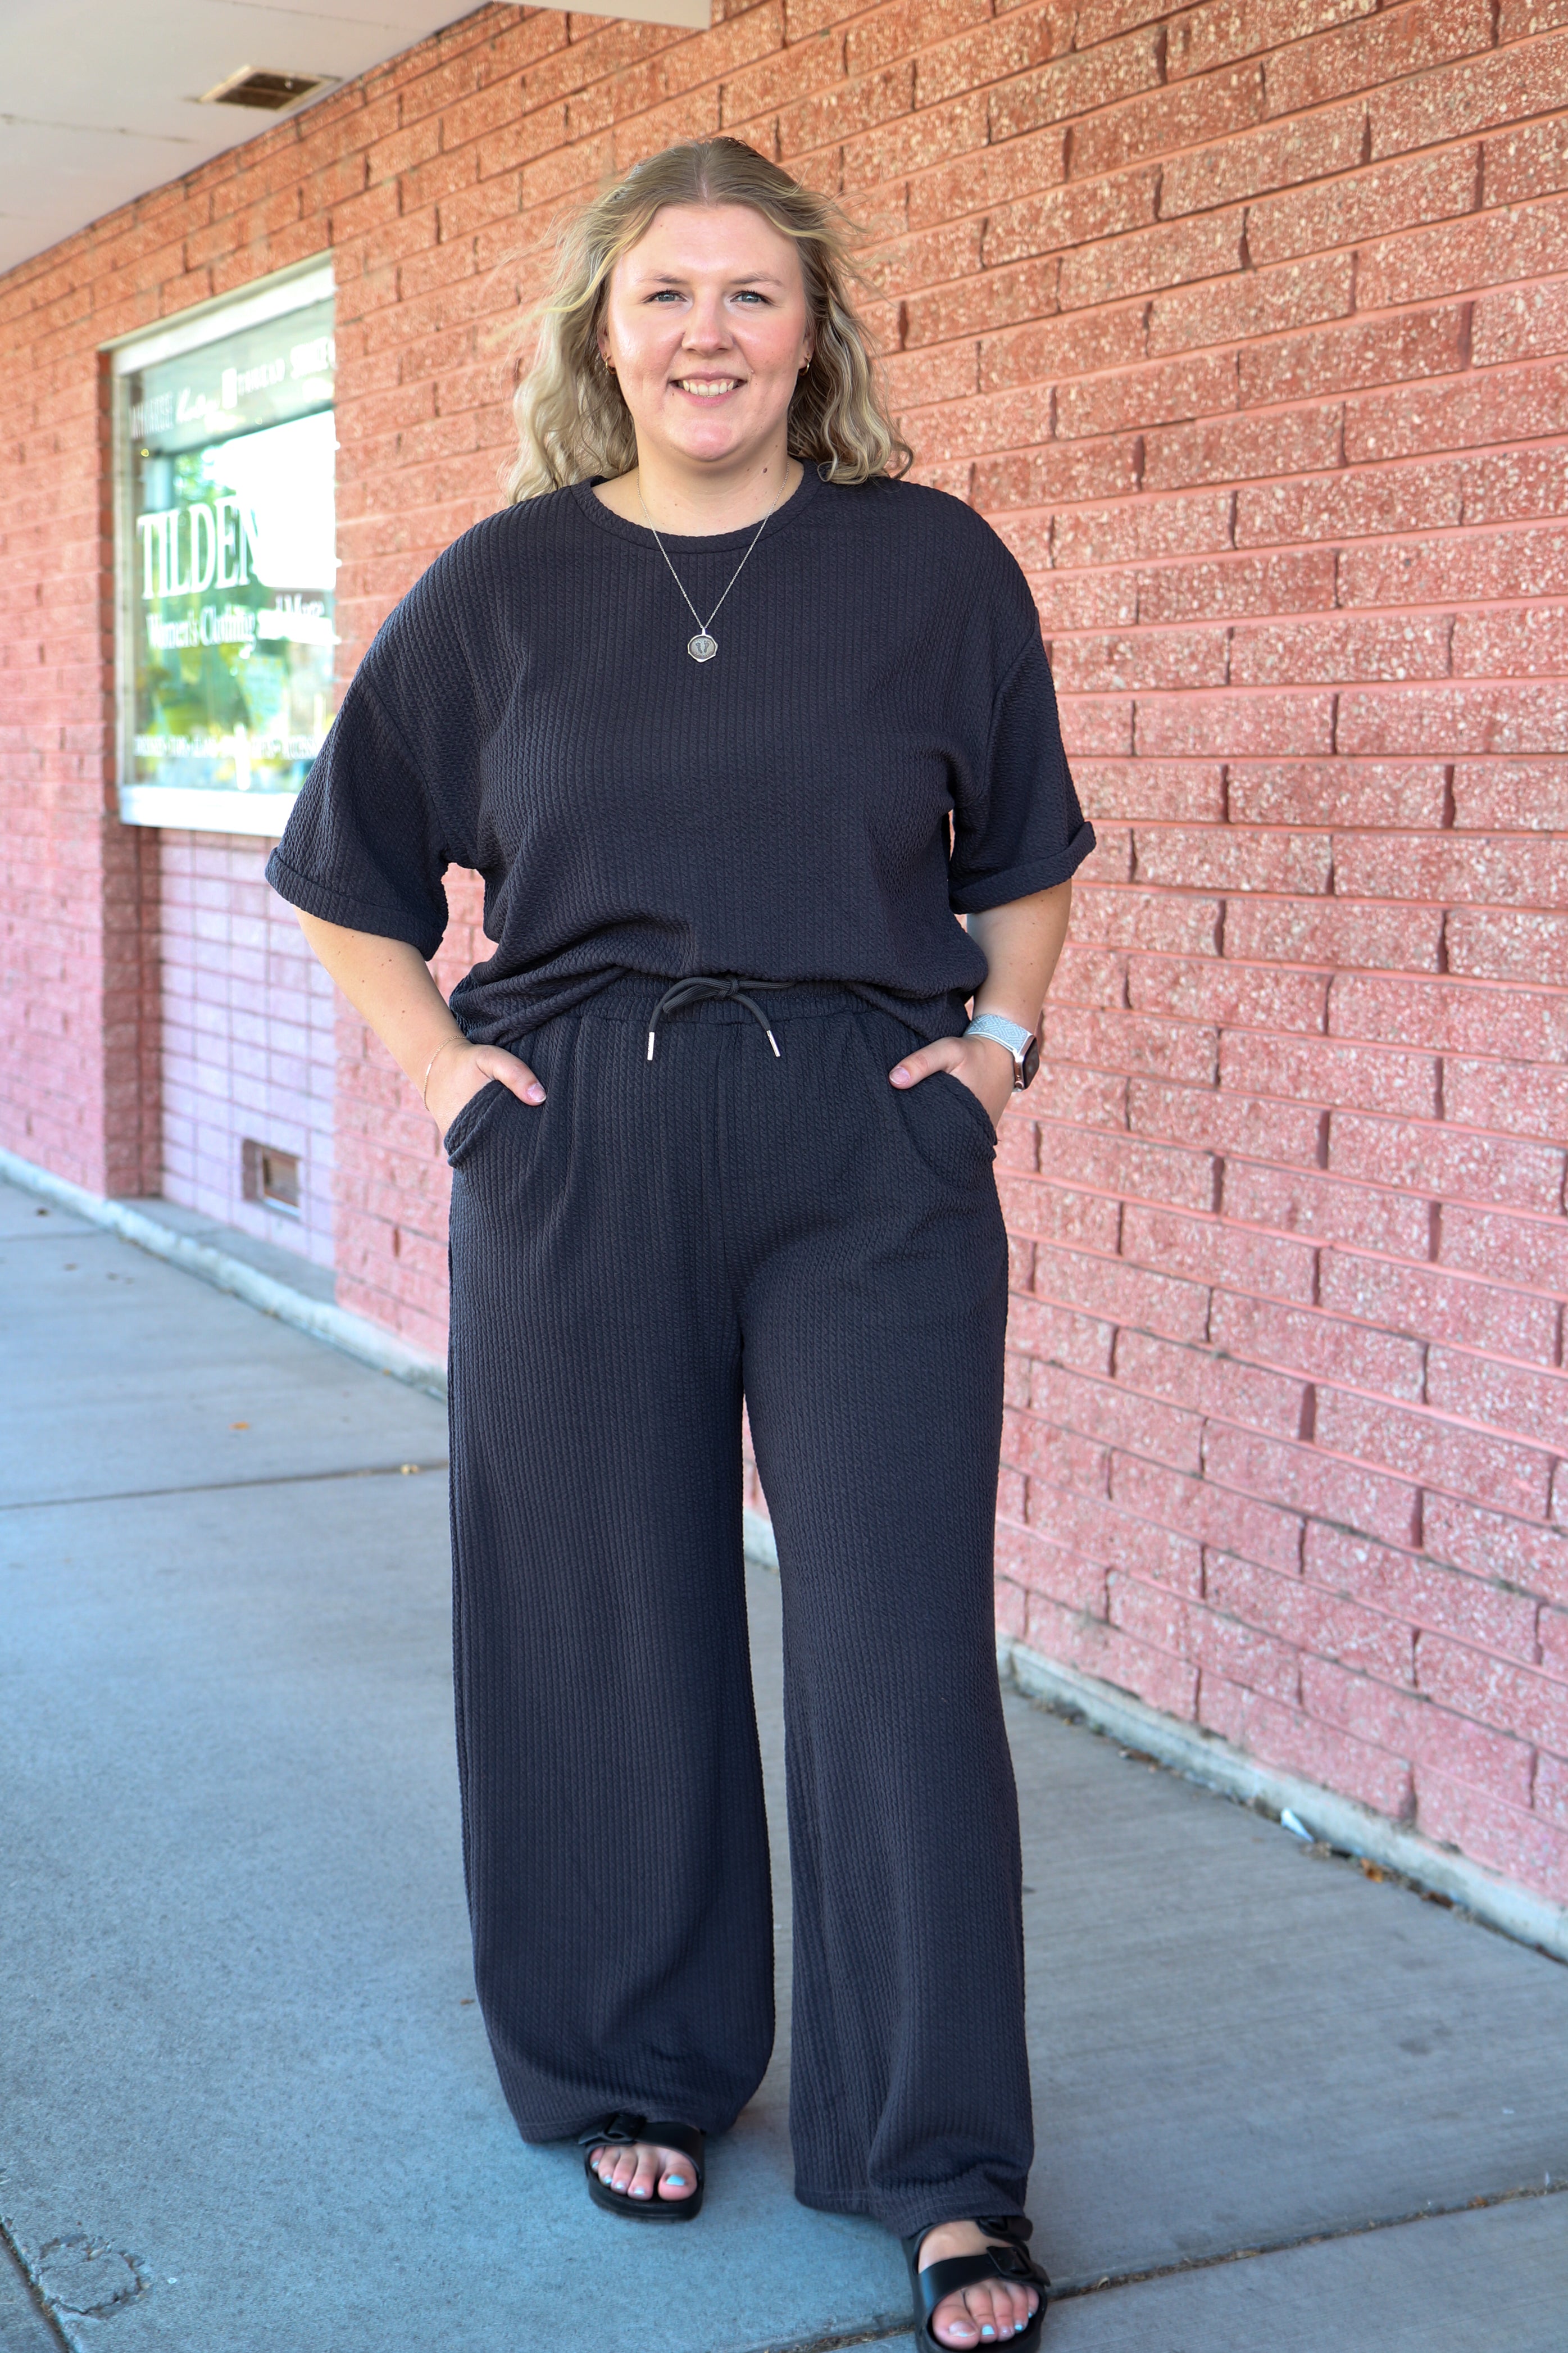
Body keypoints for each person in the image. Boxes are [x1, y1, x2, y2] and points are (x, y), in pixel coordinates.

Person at [267, 136, 1092, 2352]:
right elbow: (344, 874)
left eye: (747, 294)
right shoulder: (505, 586)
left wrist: (997, 1049)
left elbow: (1021, 844)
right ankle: (633, 2060)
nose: (707, 332)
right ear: (598, 335)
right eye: (664, 296)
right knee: (600, 1623)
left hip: (866, 1149)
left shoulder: (927, 565)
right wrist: (448, 1085)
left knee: (894, 1649)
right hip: (579, 1146)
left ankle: (936, 2160)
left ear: (812, 330)